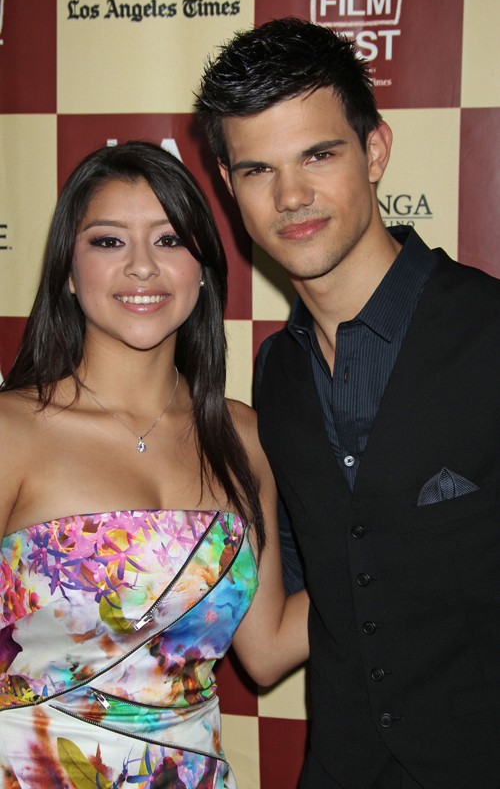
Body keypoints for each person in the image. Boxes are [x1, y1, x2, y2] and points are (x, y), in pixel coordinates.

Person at [195, 16, 500, 789]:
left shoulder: (489, 333)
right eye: (259, 170)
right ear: (230, 189)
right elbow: (309, 601)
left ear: (375, 151)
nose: (291, 196)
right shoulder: (277, 378)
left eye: (318, 155)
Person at [0, 140, 309, 789]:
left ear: (204, 268)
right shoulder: (11, 434)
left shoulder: (244, 436)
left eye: (169, 241)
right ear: (66, 269)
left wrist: (418, 545)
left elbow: (269, 646)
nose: (142, 267)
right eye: (109, 242)